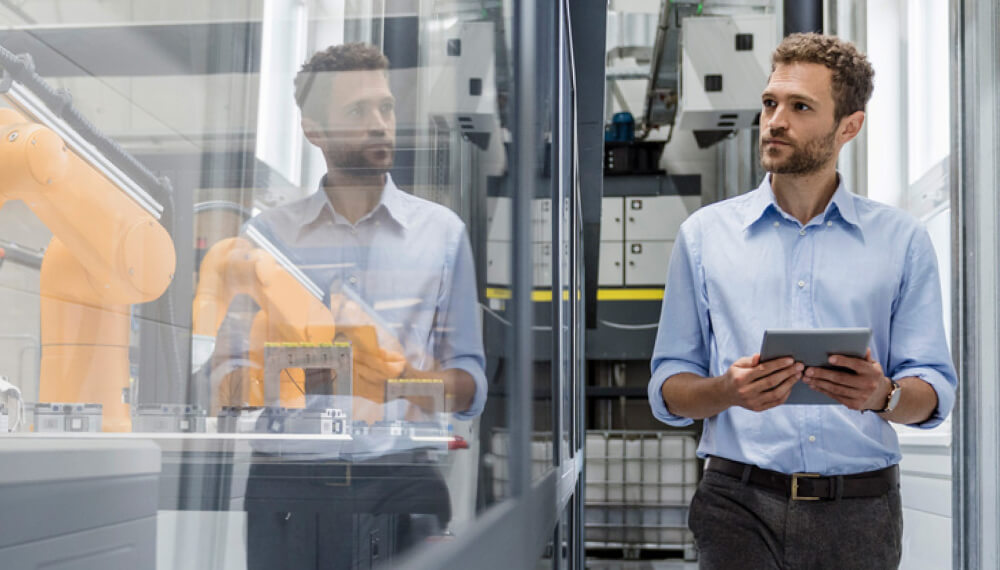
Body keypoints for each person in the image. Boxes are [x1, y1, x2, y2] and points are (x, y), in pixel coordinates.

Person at [647, 33, 957, 569]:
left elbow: (933, 391)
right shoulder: (703, 236)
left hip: (861, 511)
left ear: (849, 127)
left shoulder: (902, 240)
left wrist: (881, 394)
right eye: (770, 103)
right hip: (737, 503)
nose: (775, 121)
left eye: (800, 107)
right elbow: (668, 388)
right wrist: (727, 389)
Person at [226, 42, 487, 568]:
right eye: (357, 111)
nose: (379, 123)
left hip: (401, 481)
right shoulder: (265, 239)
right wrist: (290, 373)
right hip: (287, 490)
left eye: (386, 108)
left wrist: (394, 380)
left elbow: (470, 385)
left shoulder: (442, 236)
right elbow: (227, 377)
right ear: (313, 130)